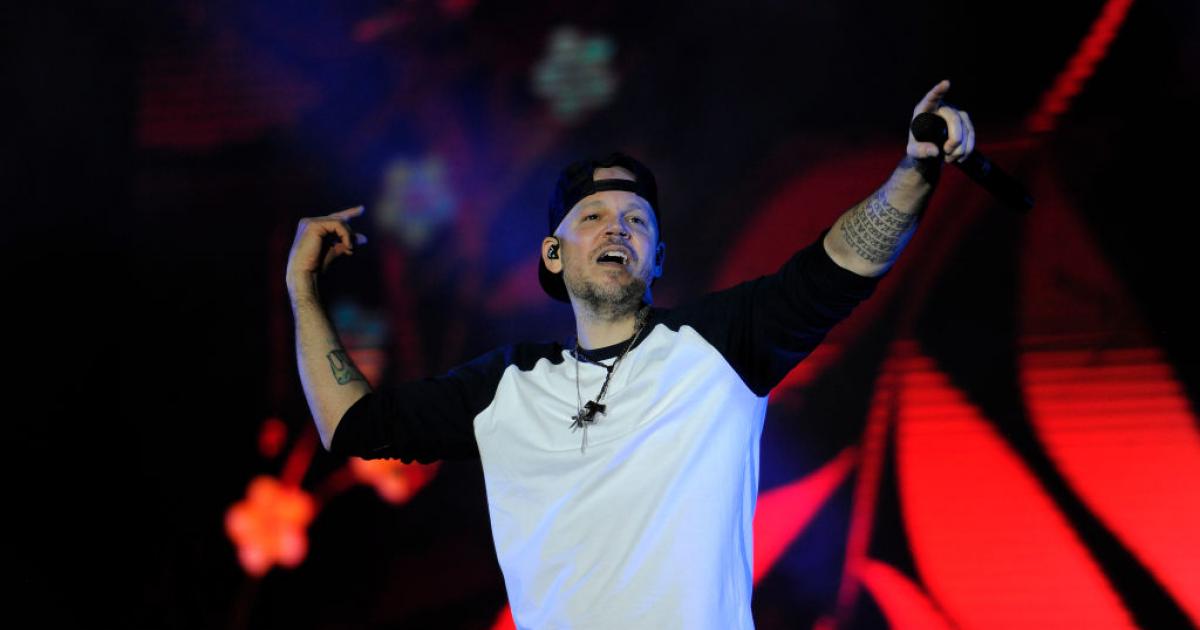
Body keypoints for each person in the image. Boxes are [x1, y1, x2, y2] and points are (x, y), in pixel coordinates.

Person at [286, 79, 976, 629]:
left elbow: (841, 265)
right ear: (553, 254)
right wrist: (302, 289)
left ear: (658, 257)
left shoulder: (718, 345)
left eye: (636, 220)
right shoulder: (506, 386)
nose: (616, 228)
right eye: (593, 217)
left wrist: (913, 172)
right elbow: (353, 425)